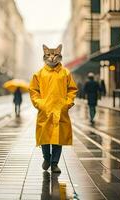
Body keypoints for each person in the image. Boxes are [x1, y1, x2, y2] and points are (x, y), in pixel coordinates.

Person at [29, 44, 78, 173]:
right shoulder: (38, 74)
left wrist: (67, 104)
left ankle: (55, 163)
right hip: (45, 111)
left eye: (55, 55)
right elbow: (34, 91)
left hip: (60, 110)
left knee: (58, 138)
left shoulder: (65, 73)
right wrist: (40, 103)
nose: (52, 58)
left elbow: (72, 90)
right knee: (45, 137)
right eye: (49, 55)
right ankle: (47, 158)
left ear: (60, 56)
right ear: (44, 56)